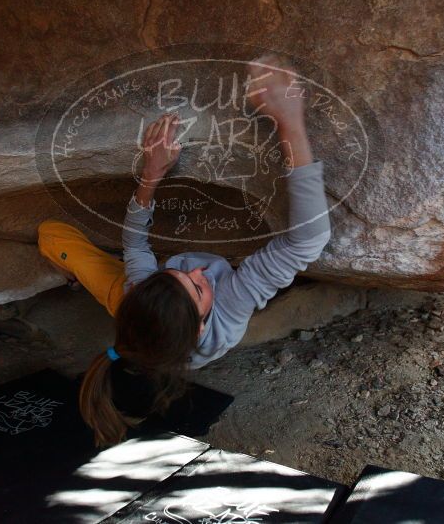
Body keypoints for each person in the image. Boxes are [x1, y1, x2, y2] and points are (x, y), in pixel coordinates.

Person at [37, 55, 332, 446]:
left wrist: (151, 174)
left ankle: (83, 278)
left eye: (177, 274)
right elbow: (307, 240)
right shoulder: (231, 301)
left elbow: (135, 243)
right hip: (154, 312)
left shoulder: (135, 292)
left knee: (50, 235)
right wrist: (290, 122)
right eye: (197, 288)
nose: (200, 272)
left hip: (128, 303)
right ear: (200, 326)